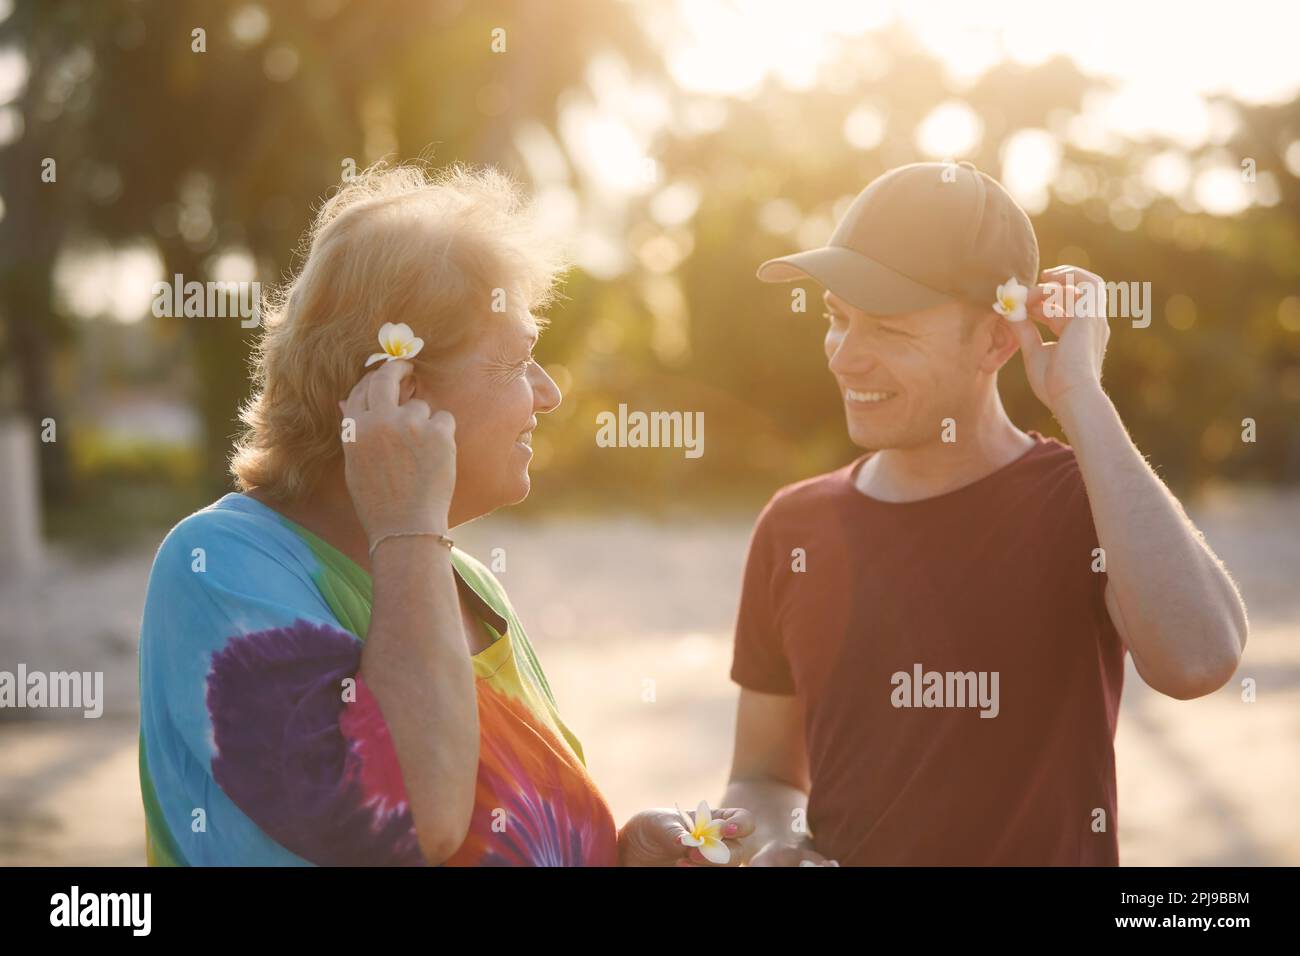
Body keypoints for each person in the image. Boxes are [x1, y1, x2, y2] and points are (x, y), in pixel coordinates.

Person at [137, 162, 753, 866]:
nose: (548, 394)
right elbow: (407, 822)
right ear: (398, 387)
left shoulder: (464, 585)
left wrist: (617, 853)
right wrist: (406, 527)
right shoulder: (220, 562)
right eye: (518, 359)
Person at [722, 161, 1248, 866]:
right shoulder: (794, 528)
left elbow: (1200, 658)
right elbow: (761, 777)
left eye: (889, 330)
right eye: (836, 319)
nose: (846, 358)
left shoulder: (1084, 500)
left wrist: (1081, 395)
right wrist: (781, 842)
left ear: (998, 341)